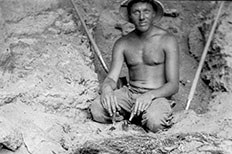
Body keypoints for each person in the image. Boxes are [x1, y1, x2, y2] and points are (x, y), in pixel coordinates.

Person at [90, 0, 179, 133]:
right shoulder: (123, 43)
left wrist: (150, 95)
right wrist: (107, 89)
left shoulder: (167, 40)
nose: (142, 17)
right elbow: (112, 78)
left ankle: (143, 117)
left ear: (154, 14)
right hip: (130, 94)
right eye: (136, 12)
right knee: (97, 109)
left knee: (155, 122)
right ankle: (129, 118)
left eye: (146, 11)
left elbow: (173, 85)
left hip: (156, 96)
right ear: (130, 16)